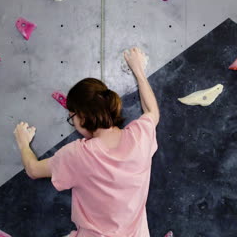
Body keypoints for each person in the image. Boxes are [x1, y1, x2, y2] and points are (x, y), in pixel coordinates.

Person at [13, 47, 160, 237]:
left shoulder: (79, 155)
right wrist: (138, 70)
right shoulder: (140, 138)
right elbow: (152, 113)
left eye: (71, 117)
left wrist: (23, 142)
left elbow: (33, 169)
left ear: (82, 116)